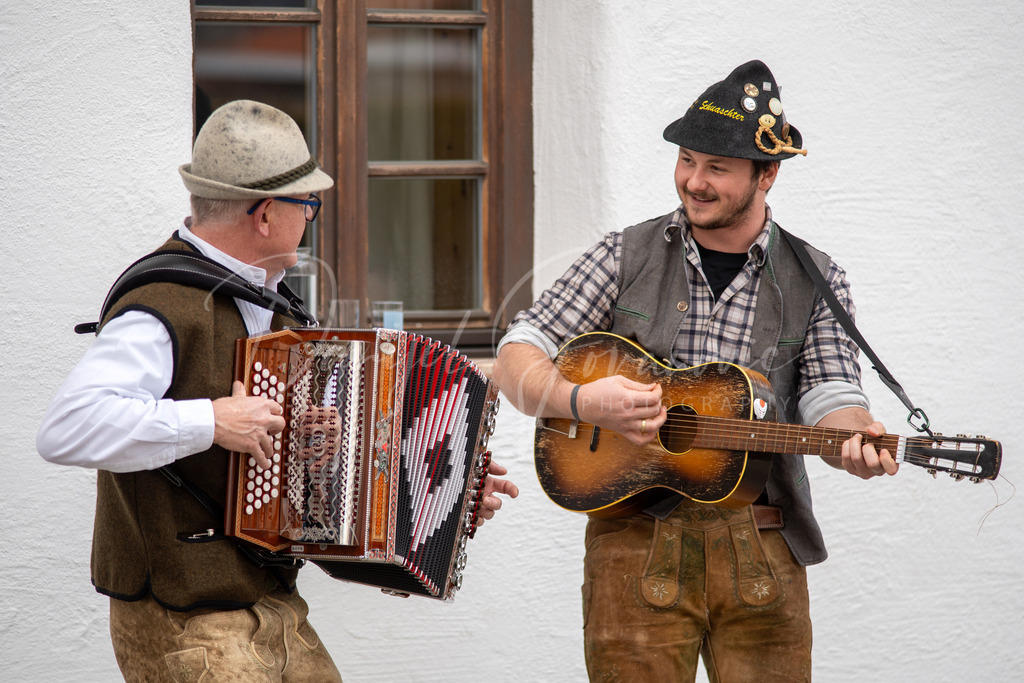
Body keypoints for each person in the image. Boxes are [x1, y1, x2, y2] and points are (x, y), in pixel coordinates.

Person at [37, 99, 519, 681]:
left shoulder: (279, 306)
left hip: (272, 602)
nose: (312, 216)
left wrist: (450, 479)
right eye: (307, 203)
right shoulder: (162, 305)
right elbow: (67, 428)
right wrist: (212, 421)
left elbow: (287, 476)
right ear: (266, 214)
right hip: (183, 614)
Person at [492, 60, 897, 681]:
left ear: (769, 174)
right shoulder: (622, 253)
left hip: (762, 545)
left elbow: (828, 393)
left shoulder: (818, 276)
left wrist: (853, 437)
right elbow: (516, 356)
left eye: (717, 168)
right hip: (633, 542)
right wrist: (581, 401)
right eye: (687, 160)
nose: (694, 181)